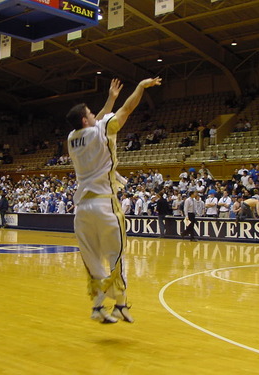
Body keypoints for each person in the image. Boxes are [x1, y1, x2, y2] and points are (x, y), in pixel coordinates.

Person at [67, 77, 162, 324]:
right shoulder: (102, 128)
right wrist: (140, 87)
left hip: (82, 210)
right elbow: (127, 110)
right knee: (115, 255)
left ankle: (98, 307)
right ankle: (120, 304)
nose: (94, 114)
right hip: (104, 203)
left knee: (92, 260)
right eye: (90, 112)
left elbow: (95, 119)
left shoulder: (72, 138)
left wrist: (111, 97)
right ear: (86, 120)